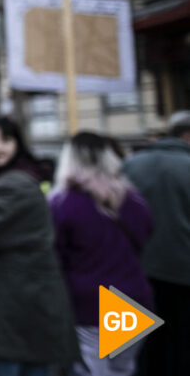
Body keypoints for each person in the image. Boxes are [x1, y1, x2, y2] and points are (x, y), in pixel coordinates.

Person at [0, 116, 78, 376]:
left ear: (18, 144)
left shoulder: (17, 183)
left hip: (13, 314)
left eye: (6, 140)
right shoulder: (5, 178)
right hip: (17, 311)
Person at [49, 132, 153, 376]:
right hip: (133, 300)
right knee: (122, 370)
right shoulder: (133, 200)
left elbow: (54, 255)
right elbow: (146, 235)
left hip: (90, 305)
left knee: (90, 371)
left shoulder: (63, 203)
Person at [123, 110, 190, 376]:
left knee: (133, 354)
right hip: (183, 276)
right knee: (181, 351)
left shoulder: (132, 164)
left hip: (133, 274)